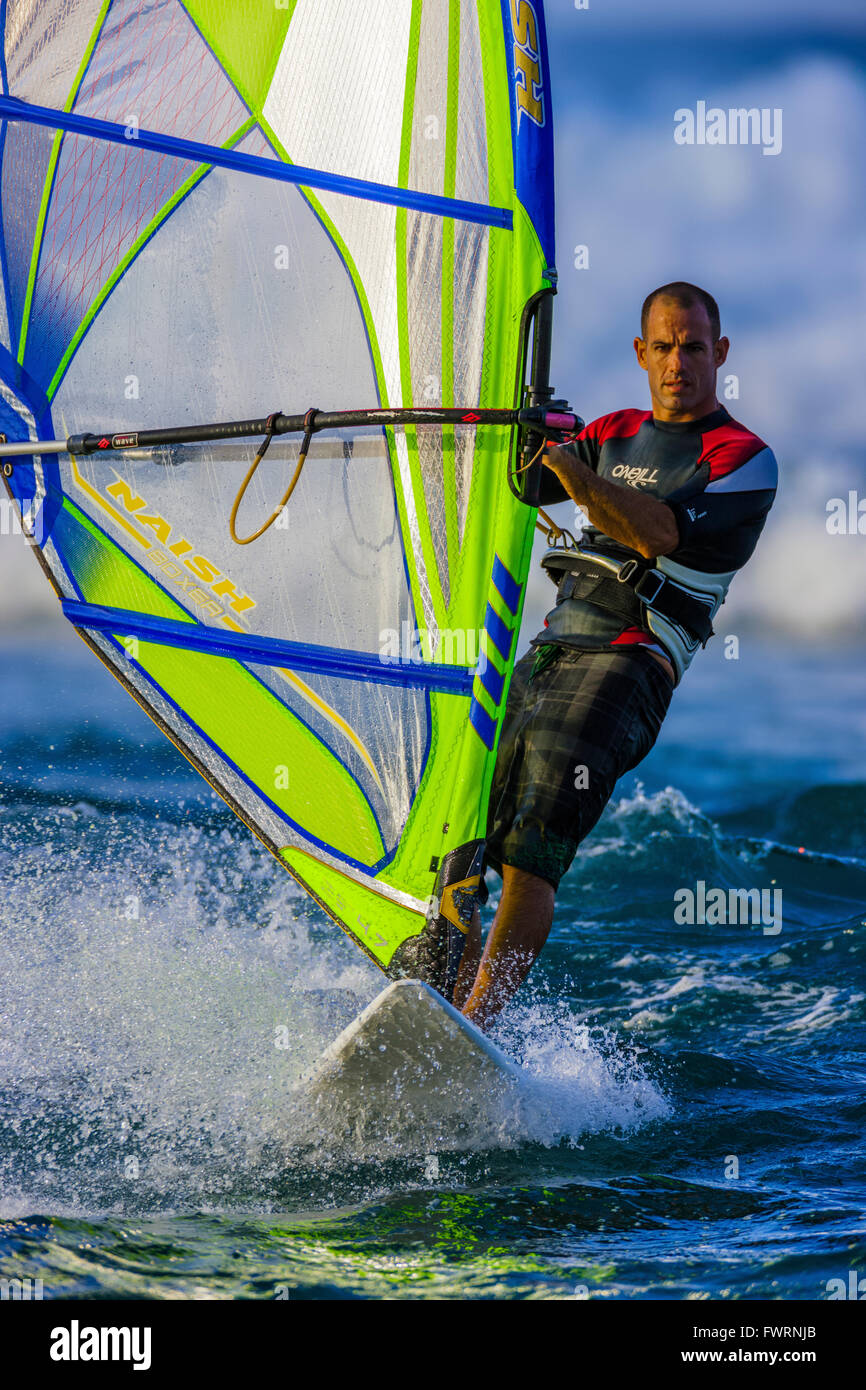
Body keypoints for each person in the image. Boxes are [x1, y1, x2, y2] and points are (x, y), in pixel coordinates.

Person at [454, 281, 778, 1028]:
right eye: (662, 347)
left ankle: (477, 1024)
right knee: (469, 828)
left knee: (533, 848)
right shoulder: (613, 429)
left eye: (693, 347)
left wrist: (573, 470)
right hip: (551, 648)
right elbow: (524, 482)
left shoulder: (742, 457)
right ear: (641, 353)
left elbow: (656, 534)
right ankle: (436, 996)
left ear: (719, 353)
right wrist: (530, 425)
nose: (677, 363)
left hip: (631, 661)